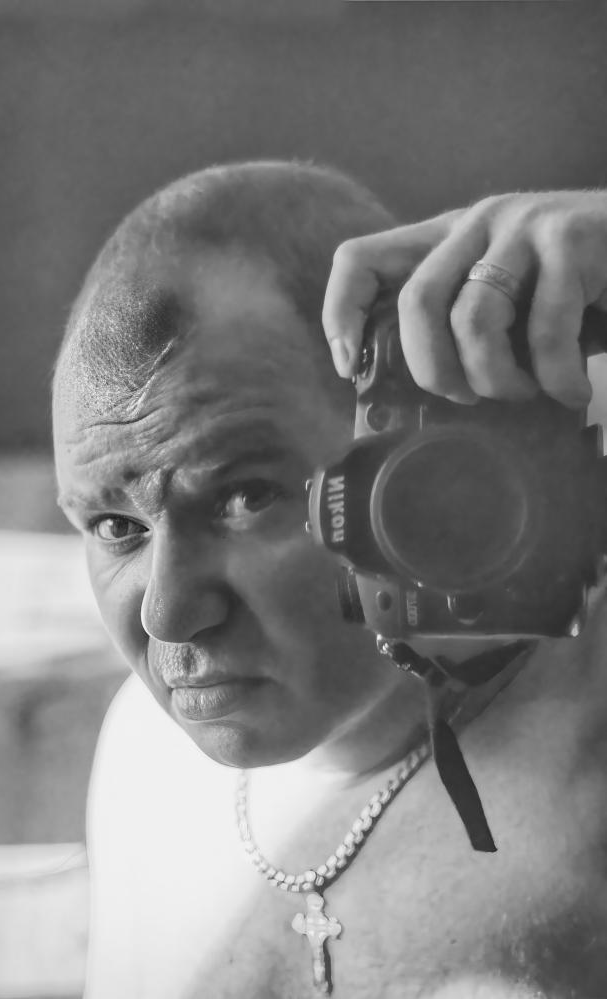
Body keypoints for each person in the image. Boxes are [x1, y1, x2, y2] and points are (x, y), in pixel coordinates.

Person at [52, 161, 607, 999]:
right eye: (114, 527)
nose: (169, 614)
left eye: (244, 496)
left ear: (423, 447)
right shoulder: (142, 749)